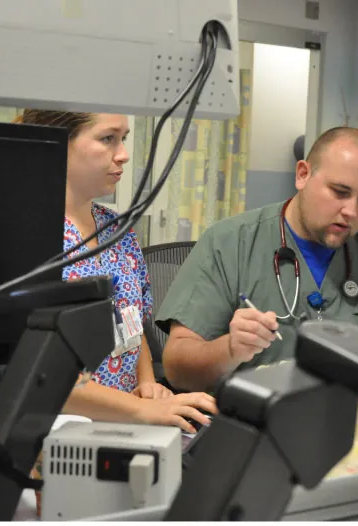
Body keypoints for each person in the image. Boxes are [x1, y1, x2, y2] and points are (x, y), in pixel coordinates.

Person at [157, 127, 358, 392]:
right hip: (258, 424)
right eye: (339, 192)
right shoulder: (230, 244)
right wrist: (230, 349)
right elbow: (177, 367)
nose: (351, 211)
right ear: (303, 175)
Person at [15, 110, 216, 432]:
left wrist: (147, 383)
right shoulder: (25, 233)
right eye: (108, 139)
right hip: (57, 425)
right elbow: (37, 374)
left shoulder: (116, 229)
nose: (123, 154)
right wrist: (141, 410)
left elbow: (131, 320)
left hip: (123, 416)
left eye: (123, 139)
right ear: (57, 141)